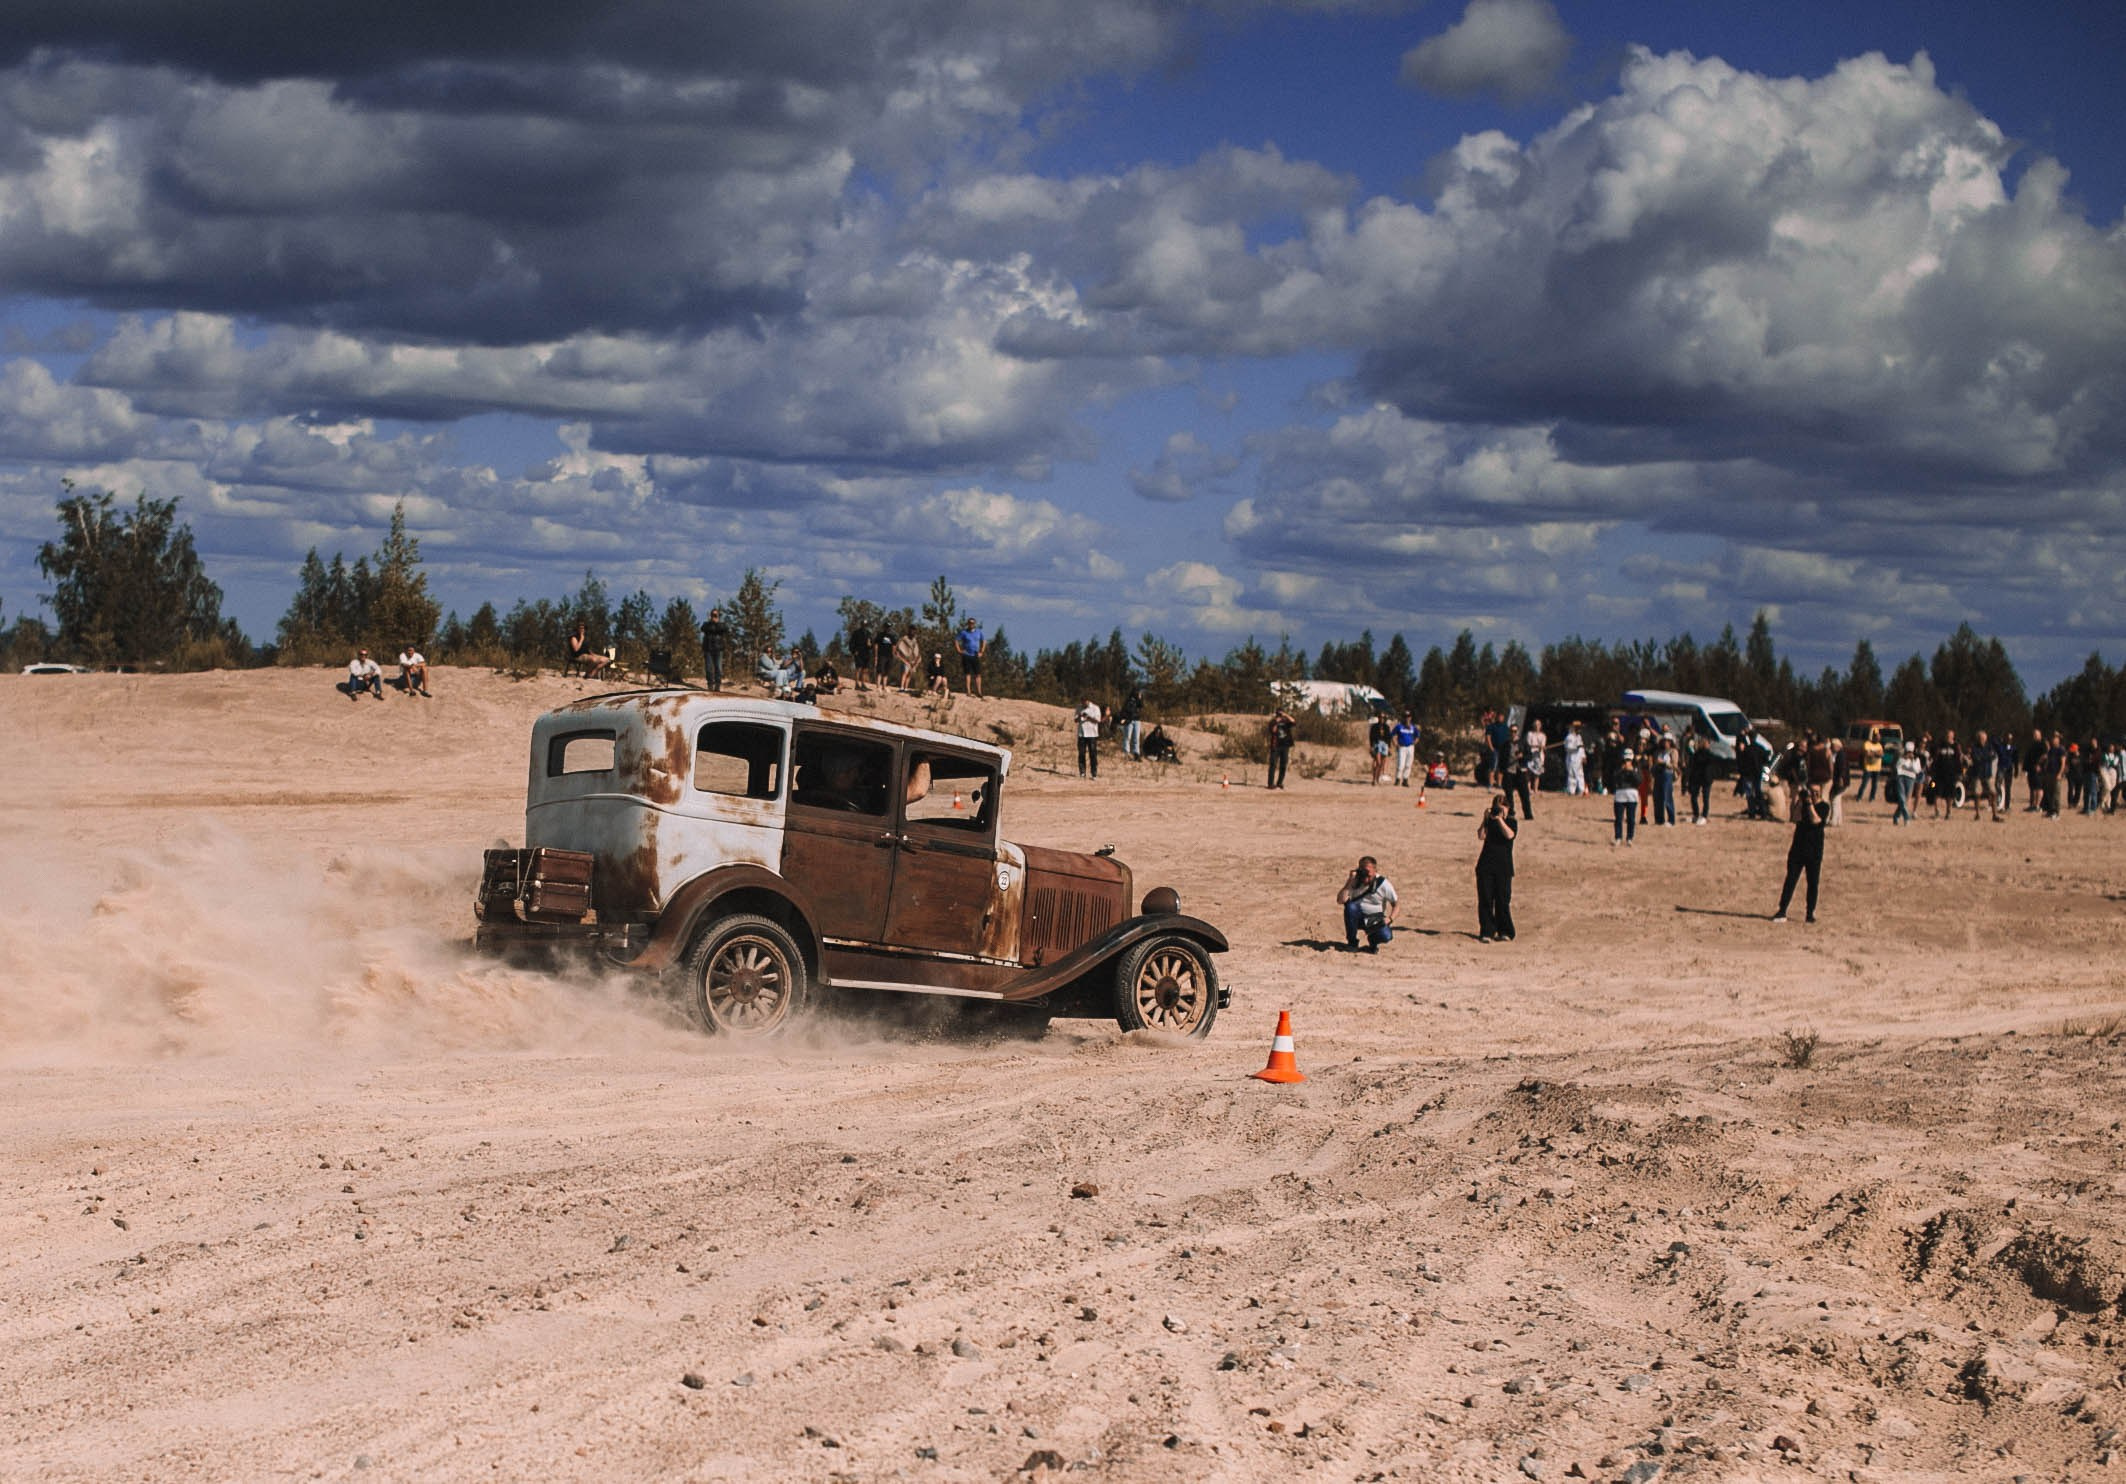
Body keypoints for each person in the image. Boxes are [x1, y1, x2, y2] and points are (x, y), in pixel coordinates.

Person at [1773, 783, 1831, 923]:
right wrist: (1798, 800)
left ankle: (1810, 913)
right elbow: (1794, 818)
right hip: (1798, 848)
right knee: (1790, 880)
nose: (1814, 794)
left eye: (1817, 792)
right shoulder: (1803, 804)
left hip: (1814, 851)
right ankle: (1782, 910)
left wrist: (1810, 804)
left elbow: (1816, 820)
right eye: (1811, 791)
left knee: (1813, 883)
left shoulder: (1824, 807)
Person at [1475, 793, 1517, 943]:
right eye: (1497, 807)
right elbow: (1481, 836)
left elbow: (1509, 835)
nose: (1499, 810)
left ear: (1508, 808)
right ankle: (1487, 931)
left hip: (1503, 868)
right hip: (1486, 865)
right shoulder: (1490, 821)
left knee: (1502, 900)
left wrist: (1501, 820)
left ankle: (1505, 930)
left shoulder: (1512, 822)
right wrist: (1485, 819)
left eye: (1503, 807)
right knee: (1485, 899)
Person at [1336, 855, 1398, 952]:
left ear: (1375, 871)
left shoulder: (1383, 884)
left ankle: (1373, 942)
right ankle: (1352, 942)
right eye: (1363, 874)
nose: (1365, 879)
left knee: (1386, 936)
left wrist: (1390, 919)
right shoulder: (1355, 881)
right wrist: (1349, 881)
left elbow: (1396, 905)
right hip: (1357, 917)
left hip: (1375, 919)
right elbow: (1340, 900)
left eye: (1369, 876)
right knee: (1350, 907)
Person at [1608, 745, 1639, 846]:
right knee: (1618, 818)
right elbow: (1614, 779)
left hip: (1632, 795)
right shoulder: (1618, 768)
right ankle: (1618, 837)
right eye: (1626, 759)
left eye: (1629, 759)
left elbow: (1639, 781)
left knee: (1631, 818)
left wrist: (1631, 771)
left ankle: (1629, 838)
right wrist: (1622, 770)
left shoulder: (1636, 768)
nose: (1627, 761)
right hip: (1620, 794)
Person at [1685, 732, 1715, 824]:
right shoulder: (1696, 754)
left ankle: (1704, 815)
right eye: (1703, 742)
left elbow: (1711, 765)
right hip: (1696, 778)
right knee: (1694, 797)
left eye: (1706, 742)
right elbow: (1692, 765)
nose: (1704, 744)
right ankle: (1696, 814)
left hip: (1706, 779)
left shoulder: (1710, 755)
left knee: (1705, 798)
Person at [1650, 726, 1677, 827]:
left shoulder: (1673, 752)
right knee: (1657, 797)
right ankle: (1659, 819)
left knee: (1667, 797)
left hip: (1667, 774)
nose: (1665, 743)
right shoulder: (1658, 752)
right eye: (1664, 741)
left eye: (1667, 741)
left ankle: (1671, 819)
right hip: (1658, 774)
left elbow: (1674, 765)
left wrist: (1665, 763)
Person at [1266, 706, 1296, 790]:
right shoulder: (1272, 722)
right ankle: (1270, 784)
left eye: (1281, 713)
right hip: (1276, 745)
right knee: (1273, 764)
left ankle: (1280, 782)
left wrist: (1286, 715)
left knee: (1283, 765)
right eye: (1279, 714)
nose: (1280, 715)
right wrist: (1276, 721)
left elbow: (1294, 722)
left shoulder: (1286, 721)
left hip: (1285, 745)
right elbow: (1273, 730)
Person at [1892, 740, 1921, 825]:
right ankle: (1906, 817)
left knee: (1905, 800)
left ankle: (1896, 816)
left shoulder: (1916, 759)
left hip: (1911, 778)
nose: (1909, 753)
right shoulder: (1901, 758)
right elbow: (1897, 767)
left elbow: (1917, 770)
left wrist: (1912, 761)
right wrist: (1905, 759)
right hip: (1900, 777)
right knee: (1901, 797)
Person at [699, 608, 729, 690]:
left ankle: (717, 685)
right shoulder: (706, 624)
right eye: (712, 615)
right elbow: (702, 628)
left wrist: (716, 623)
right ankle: (710, 685)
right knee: (709, 668)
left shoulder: (721, 625)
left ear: (718, 616)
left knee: (718, 668)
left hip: (718, 649)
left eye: (715, 615)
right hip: (708, 649)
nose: (714, 617)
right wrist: (711, 623)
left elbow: (725, 629)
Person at [956, 617, 986, 698]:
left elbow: (983, 641)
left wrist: (982, 651)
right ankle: (968, 691)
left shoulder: (979, 632)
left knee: (978, 674)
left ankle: (979, 692)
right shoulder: (964, 632)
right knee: (967, 674)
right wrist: (959, 650)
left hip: (975, 655)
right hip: (966, 655)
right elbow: (956, 640)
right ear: (968, 623)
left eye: (973, 623)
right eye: (970, 623)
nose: (971, 624)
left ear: (975, 624)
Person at [1074, 697, 1103, 778]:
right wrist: (1080, 716)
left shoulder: (1095, 708)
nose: (1083, 704)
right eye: (1082, 702)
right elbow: (1075, 720)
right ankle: (1082, 772)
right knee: (1081, 753)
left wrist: (1088, 717)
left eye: (1085, 702)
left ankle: (1094, 773)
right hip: (1081, 734)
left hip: (1092, 734)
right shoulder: (1079, 707)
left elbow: (1098, 720)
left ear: (1088, 701)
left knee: (1093, 754)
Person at [1392, 711, 1419, 786]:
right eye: (1405, 716)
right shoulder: (1399, 726)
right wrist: (1395, 744)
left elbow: (1417, 735)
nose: (1407, 718)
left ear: (1410, 718)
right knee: (1400, 764)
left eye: (1408, 716)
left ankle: (1405, 779)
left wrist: (1414, 742)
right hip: (1402, 747)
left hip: (1410, 747)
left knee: (1408, 764)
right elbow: (1393, 735)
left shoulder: (1413, 727)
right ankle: (1398, 779)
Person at [1562, 721, 1587, 796]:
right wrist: (1576, 747)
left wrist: (1583, 756)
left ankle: (1581, 790)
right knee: (1572, 774)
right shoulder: (1569, 737)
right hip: (1572, 758)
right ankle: (1571, 790)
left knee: (1580, 774)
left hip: (1578, 758)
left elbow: (1582, 748)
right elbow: (1568, 748)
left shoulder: (1579, 737)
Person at [1119, 688, 1144, 761]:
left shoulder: (1138, 701)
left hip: (1137, 720)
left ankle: (1136, 754)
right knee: (1127, 737)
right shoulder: (1128, 701)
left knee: (1136, 738)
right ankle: (1126, 753)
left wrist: (1140, 699)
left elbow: (1141, 706)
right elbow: (1124, 710)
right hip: (1129, 720)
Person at [1368, 711, 1393, 785]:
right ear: (1378, 718)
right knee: (1378, 762)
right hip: (1377, 744)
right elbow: (1371, 737)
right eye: (1380, 717)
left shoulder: (1386, 727)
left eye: (1383, 717)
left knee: (1382, 764)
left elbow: (1389, 738)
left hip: (1385, 745)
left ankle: (1377, 779)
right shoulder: (1374, 726)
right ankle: (1374, 779)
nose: (1382, 719)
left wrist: (1389, 747)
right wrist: (1371, 746)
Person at [848, 620, 873, 692]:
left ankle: (863, 684)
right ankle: (857, 684)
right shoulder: (856, 633)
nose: (864, 626)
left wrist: (870, 645)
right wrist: (853, 651)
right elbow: (851, 643)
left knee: (865, 669)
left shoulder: (868, 633)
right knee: (858, 668)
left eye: (866, 625)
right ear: (861, 625)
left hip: (866, 653)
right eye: (863, 625)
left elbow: (871, 643)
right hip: (859, 652)